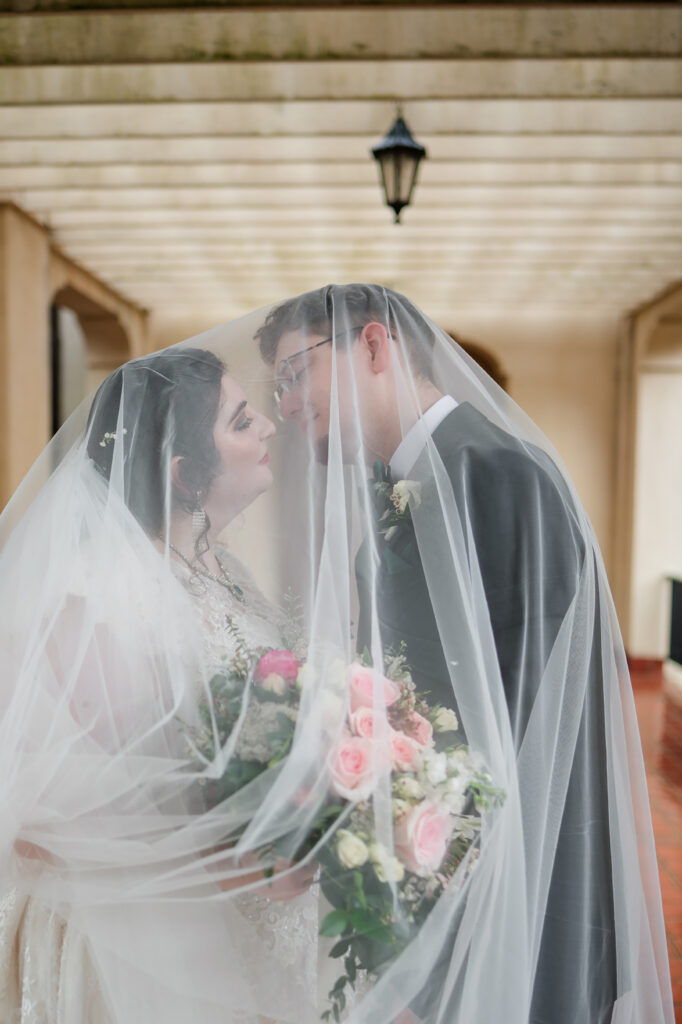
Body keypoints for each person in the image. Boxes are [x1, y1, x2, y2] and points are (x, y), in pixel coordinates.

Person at [256, 283, 674, 1024]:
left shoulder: (495, 472)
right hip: (447, 872)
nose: (286, 404)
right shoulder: (411, 483)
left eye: (295, 373)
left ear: (375, 346)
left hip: (522, 885)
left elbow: (536, 714)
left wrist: (443, 900)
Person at [0, 348, 319, 1024]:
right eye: (239, 421)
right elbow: (76, 812)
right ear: (186, 476)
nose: (267, 425)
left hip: (254, 914)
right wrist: (244, 860)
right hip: (144, 949)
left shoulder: (224, 568)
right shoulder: (98, 597)